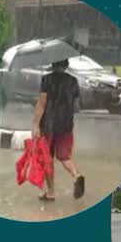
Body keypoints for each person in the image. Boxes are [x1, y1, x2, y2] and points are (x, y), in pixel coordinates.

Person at [32, 58, 85, 201]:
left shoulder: (47, 80)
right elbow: (76, 104)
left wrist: (36, 124)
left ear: (52, 64)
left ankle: (50, 192)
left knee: (46, 158)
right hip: (66, 125)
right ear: (66, 65)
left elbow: (42, 103)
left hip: (49, 124)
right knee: (64, 156)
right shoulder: (73, 81)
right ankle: (76, 175)